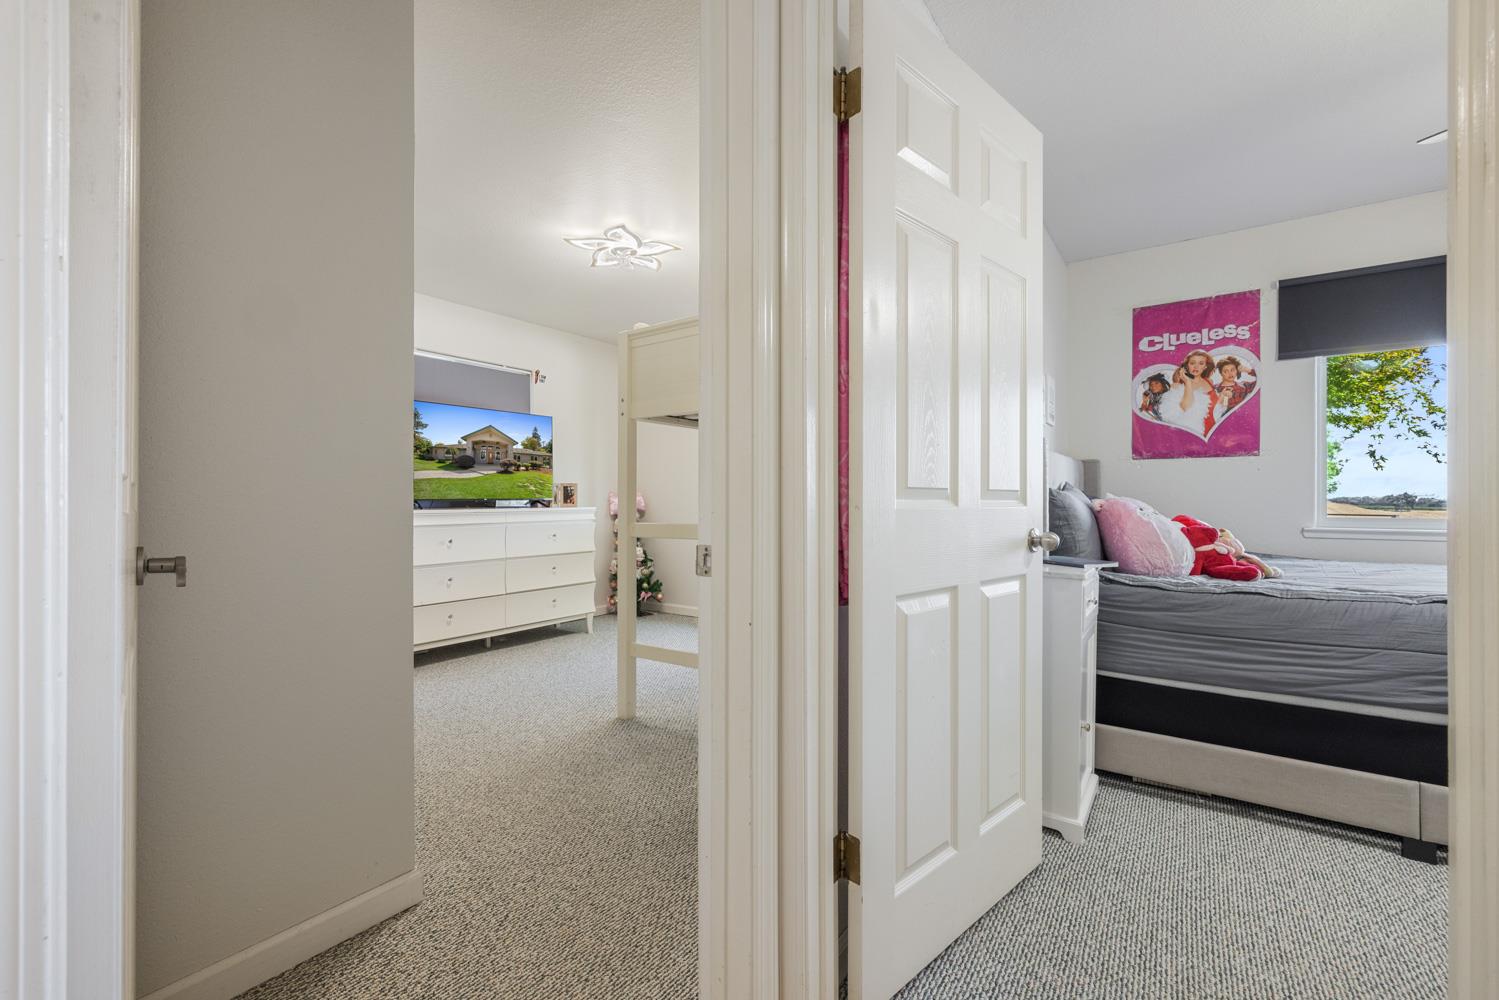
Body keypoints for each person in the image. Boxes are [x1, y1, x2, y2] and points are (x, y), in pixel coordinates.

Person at [1160, 349, 1218, 437]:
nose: (1196, 366)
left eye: (1201, 363)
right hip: (1194, 430)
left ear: (1205, 366)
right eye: (1192, 363)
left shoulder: (1209, 381)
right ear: (1187, 365)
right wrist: (1187, 382)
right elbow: (1185, 407)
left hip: (1214, 427)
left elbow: (1218, 406)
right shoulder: (1177, 385)